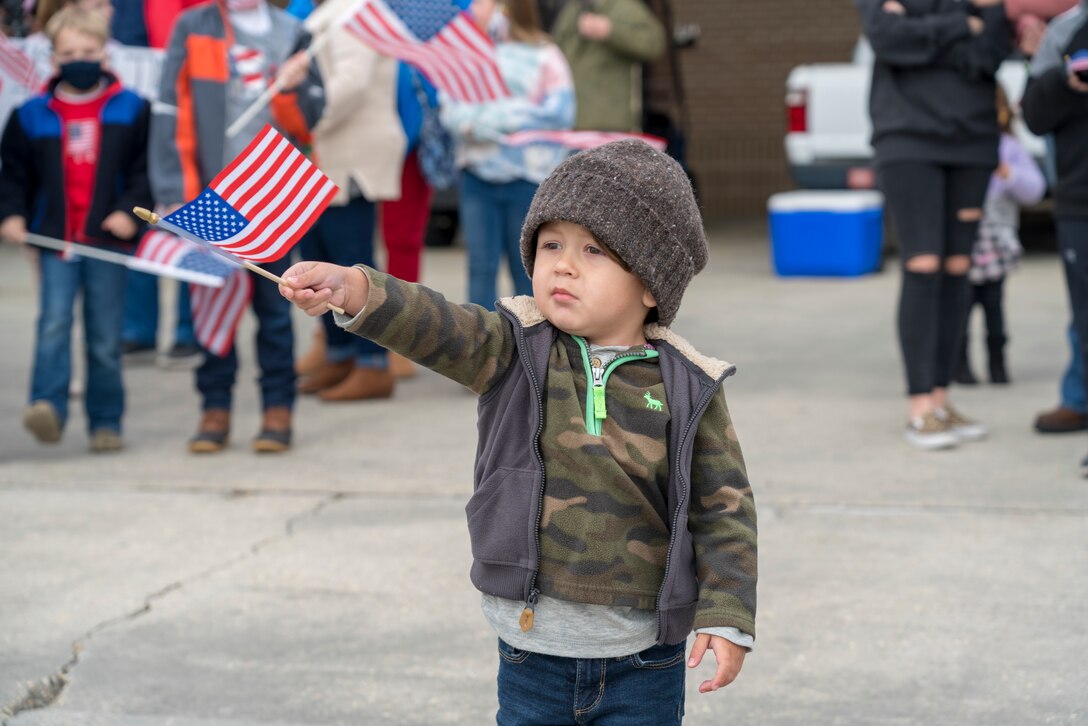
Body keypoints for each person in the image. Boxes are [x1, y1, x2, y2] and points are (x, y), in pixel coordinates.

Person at [279, 140, 757, 724]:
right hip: (531, 656)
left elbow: (725, 507)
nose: (563, 264)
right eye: (551, 244)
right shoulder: (513, 349)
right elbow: (435, 324)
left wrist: (726, 613)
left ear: (651, 283)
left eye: (594, 251)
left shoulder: (689, 384)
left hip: (645, 660)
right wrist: (354, 289)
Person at [149, 0, 323, 453]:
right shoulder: (193, 25)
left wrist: (290, 91)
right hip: (212, 195)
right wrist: (176, 187)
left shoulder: (294, 31)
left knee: (275, 306)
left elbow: (309, 121)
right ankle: (214, 406)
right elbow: (170, 109)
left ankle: (277, 407)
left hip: (270, 194)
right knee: (211, 304)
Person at [856, 0, 1013, 450]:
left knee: (958, 270)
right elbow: (886, 39)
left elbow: (985, 57)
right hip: (908, 141)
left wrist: (927, 29)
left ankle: (942, 402)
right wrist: (962, 24)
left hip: (973, 141)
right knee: (923, 266)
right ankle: (919, 407)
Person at [0, 5, 150, 451]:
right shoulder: (31, 114)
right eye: (69, 52)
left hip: (106, 242)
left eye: (89, 50)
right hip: (55, 239)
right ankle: (47, 405)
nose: (79, 58)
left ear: (106, 54)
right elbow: (12, 174)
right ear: (53, 58)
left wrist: (129, 210)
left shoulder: (131, 109)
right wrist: (11, 214)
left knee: (105, 335)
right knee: (53, 323)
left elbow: (143, 173)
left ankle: (107, 420)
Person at [295, 0, 403, 401]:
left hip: (350, 156)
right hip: (327, 157)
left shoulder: (353, 11)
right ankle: (339, 354)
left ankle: (373, 364)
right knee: (320, 254)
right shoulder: (332, 11)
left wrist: (300, 116)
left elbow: (352, 82)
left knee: (350, 265)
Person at [440, 0, 575, 311]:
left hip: (527, 181)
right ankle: (480, 351)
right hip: (477, 178)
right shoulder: (467, 55)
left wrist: (488, 119)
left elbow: (559, 113)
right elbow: (452, 112)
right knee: (480, 268)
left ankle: (534, 350)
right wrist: (509, 122)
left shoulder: (545, 55)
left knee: (528, 271)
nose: (473, 8)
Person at [1021, 8, 1088, 473]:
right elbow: (1035, 115)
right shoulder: (1067, 30)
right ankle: (1079, 398)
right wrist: (1067, 83)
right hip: (1080, 198)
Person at [955, 84, 1046, 385]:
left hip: (995, 244)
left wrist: (1009, 175)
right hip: (962, 243)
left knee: (994, 308)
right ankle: (961, 367)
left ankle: (998, 365)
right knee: (960, 309)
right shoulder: (955, 145)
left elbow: (1035, 190)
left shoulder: (1007, 147)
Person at [552, 0, 665, 132]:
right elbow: (556, 51)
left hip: (610, 123)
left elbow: (655, 44)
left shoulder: (626, 8)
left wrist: (610, 31)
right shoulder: (572, 9)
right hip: (571, 121)